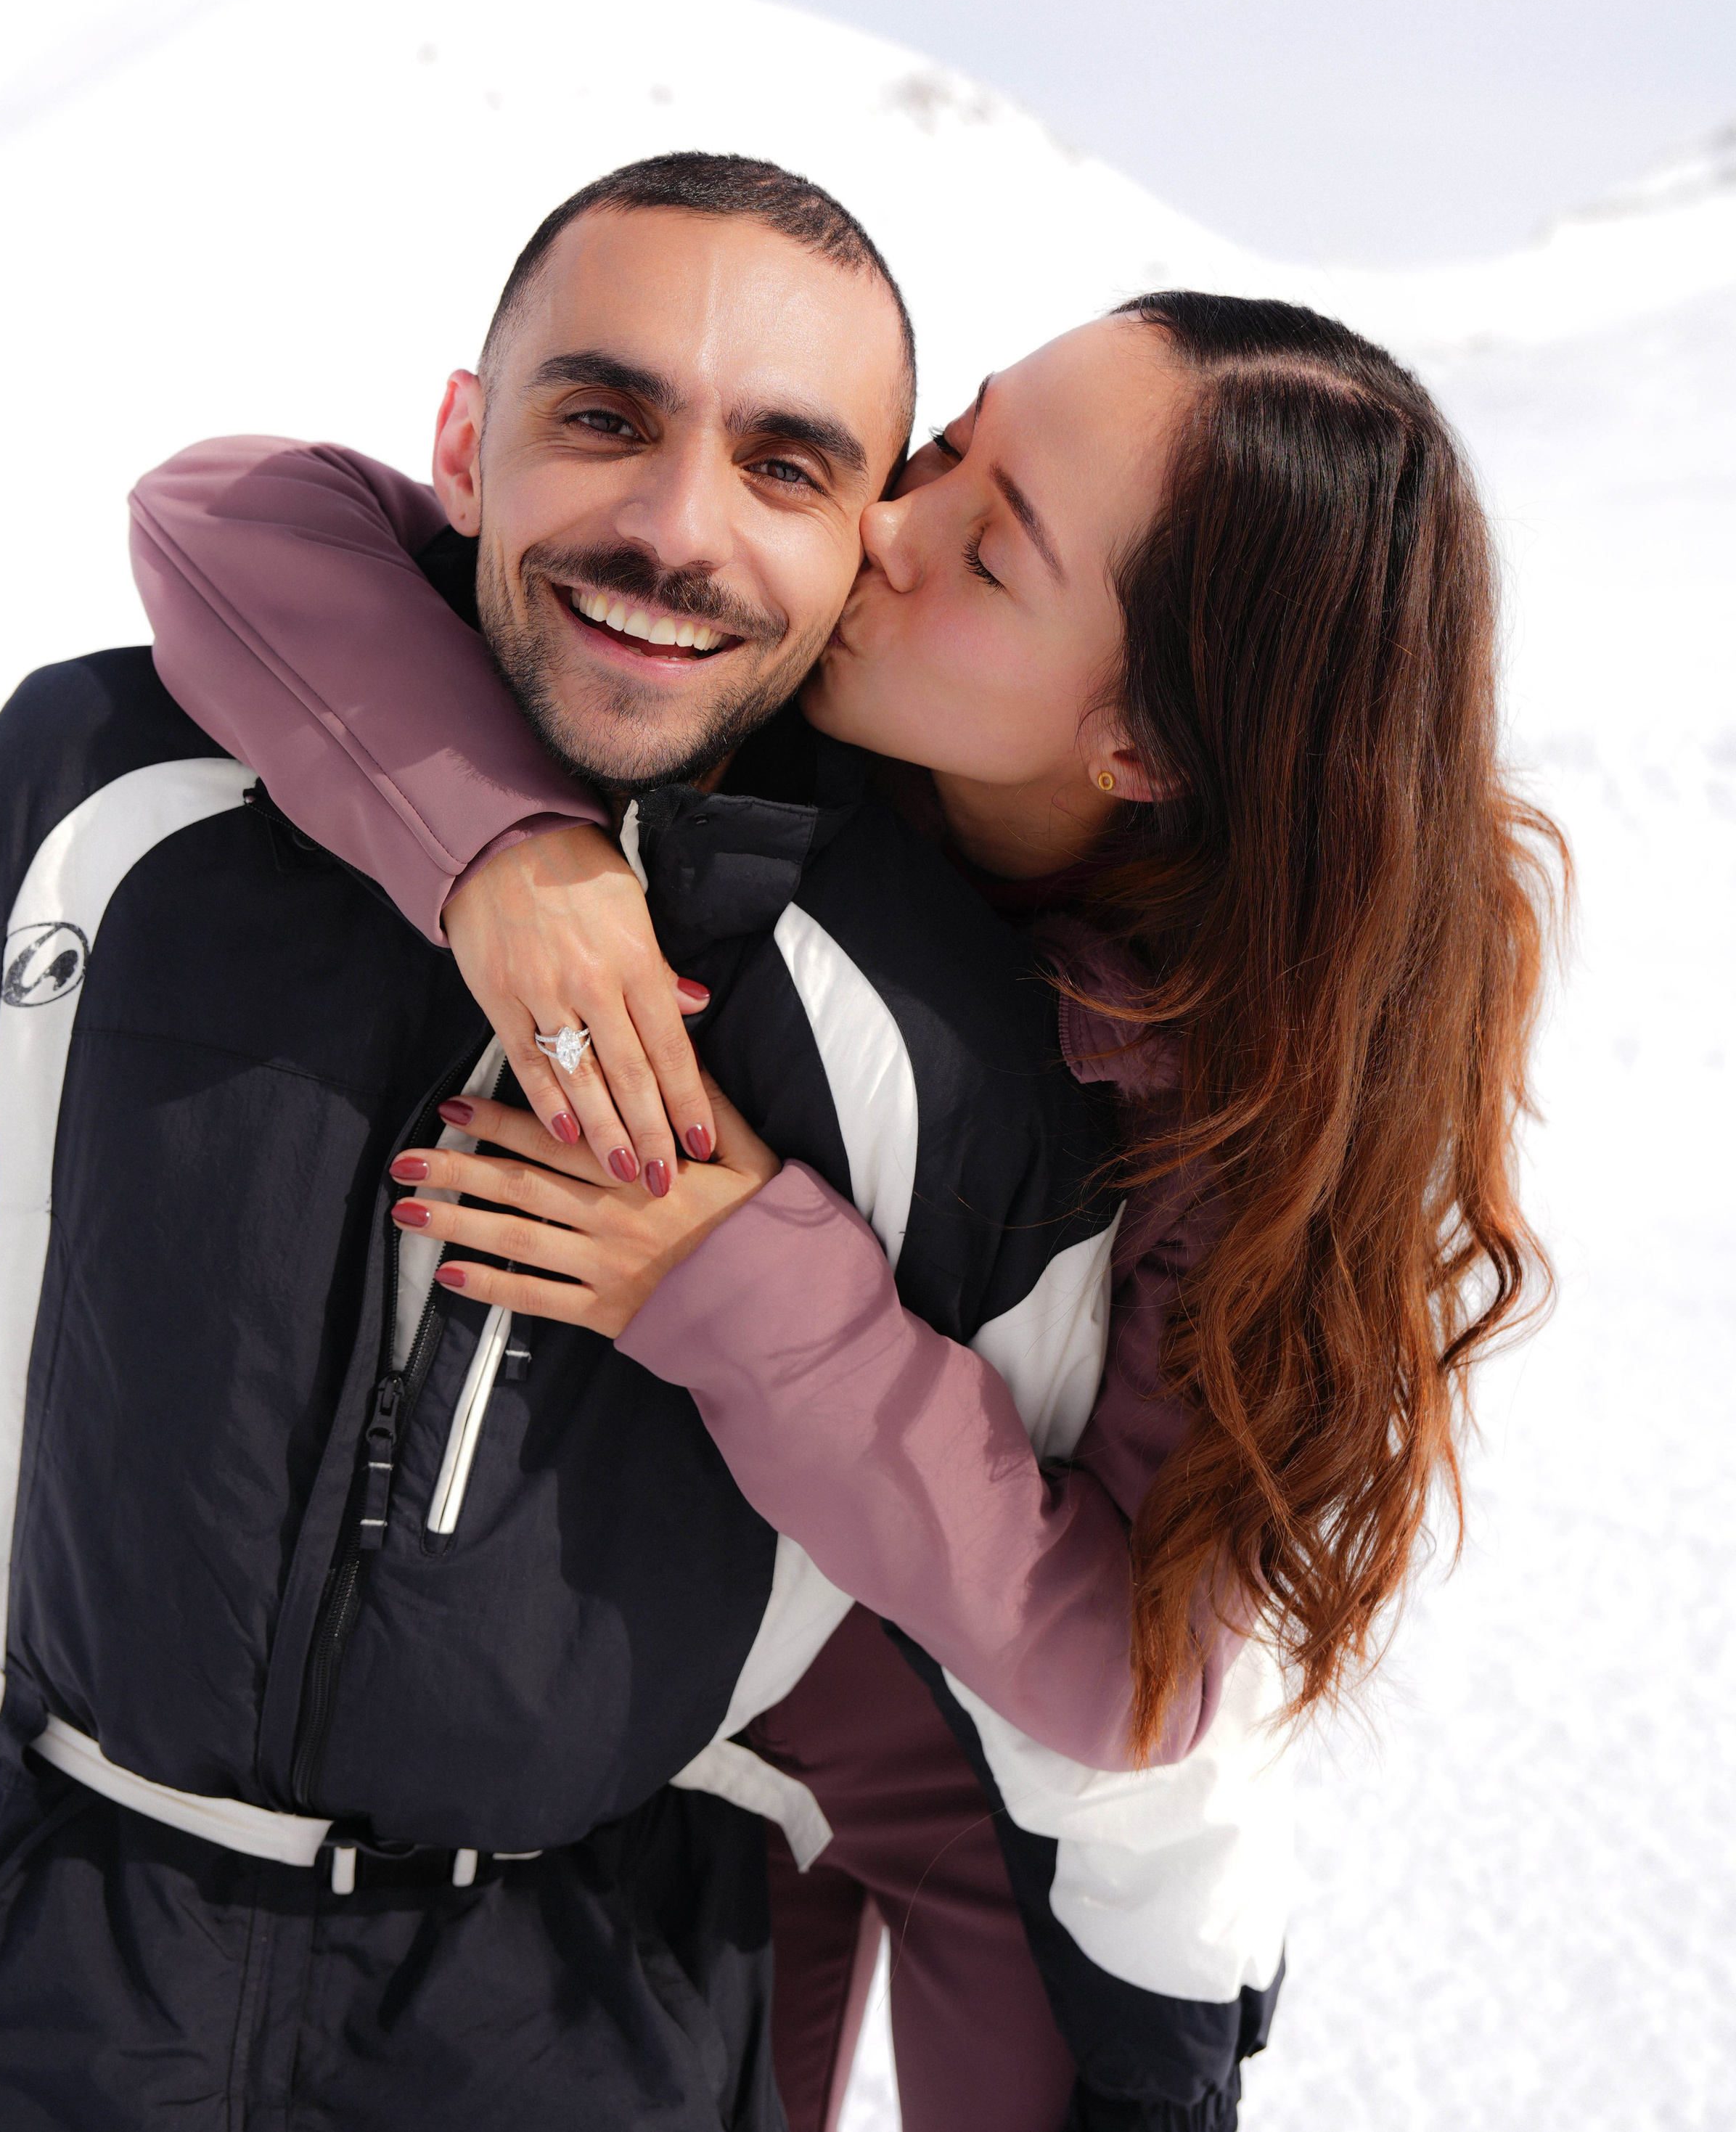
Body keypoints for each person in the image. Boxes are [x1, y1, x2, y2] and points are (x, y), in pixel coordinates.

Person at [125, 261, 1566, 2130]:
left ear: (1140, 745)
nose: (875, 525)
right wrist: (506, 849)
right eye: (949, 442)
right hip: (711, 1726)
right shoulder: (787, 685)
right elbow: (227, 517)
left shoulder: (1272, 1090)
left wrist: (739, 1268)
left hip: (1010, 1817)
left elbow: (1126, 1674)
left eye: (988, 548)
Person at [0, 155, 1150, 2131]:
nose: (673, 526)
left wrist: (1152, 2005)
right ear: (464, 441)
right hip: (52, 1957)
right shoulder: (100, 779)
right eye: (603, 415)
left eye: (790, 466)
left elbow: (1040, 1632)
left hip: (587, 2017)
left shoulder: (938, 1039)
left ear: (861, 550)